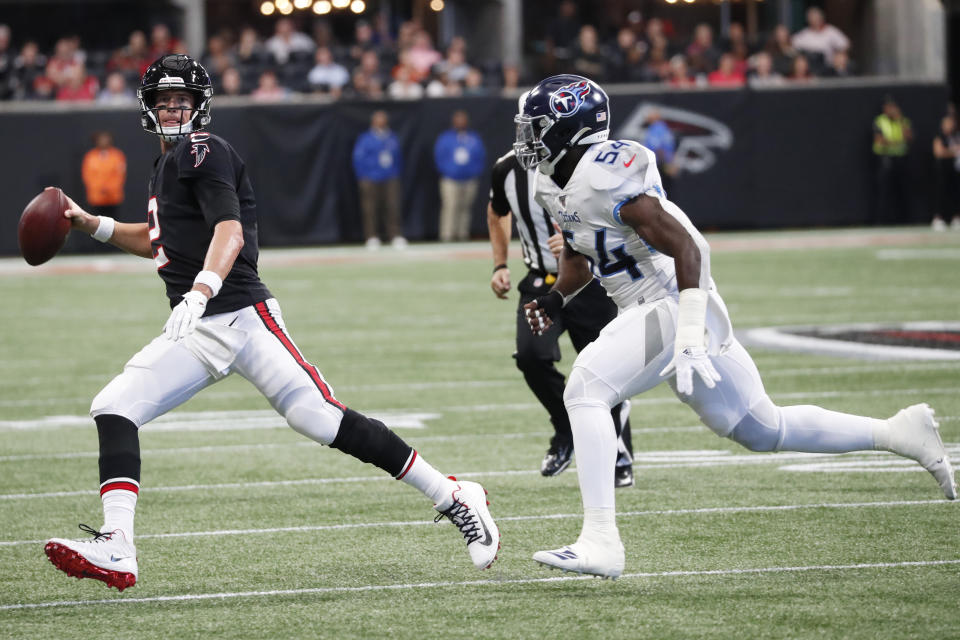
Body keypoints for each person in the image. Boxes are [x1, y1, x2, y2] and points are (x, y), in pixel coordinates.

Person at [42, 54, 499, 592]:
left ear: (199, 107)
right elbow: (159, 239)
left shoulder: (202, 149)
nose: (171, 111)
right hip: (200, 326)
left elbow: (229, 232)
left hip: (241, 316)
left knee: (319, 419)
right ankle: (117, 544)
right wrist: (92, 225)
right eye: (162, 103)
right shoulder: (167, 163)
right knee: (114, 406)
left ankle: (453, 495)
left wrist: (201, 289)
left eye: (181, 102)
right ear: (148, 108)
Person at [513, 74, 956, 579]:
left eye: (538, 128)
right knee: (761, 428)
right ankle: (899, 433)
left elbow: (690, 249)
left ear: (572, 128)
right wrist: (554, 296)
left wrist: (688, 337)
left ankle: (600, 540)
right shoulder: (551, 181)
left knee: (586, 389)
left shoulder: (610, 172)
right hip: (645, 306)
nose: (528, 139)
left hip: (676, 299)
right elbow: (580, 251)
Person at [487, 146, 634, 487]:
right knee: (531, 356)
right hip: (541, 282)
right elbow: (497, 211)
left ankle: (618, 452)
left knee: (606, 370)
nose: (527, 137)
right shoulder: (506, 168)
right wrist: (499, 263)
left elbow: (617, 217)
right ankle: (566, 429)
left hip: (592, 280)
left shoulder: (592, 161)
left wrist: (575, 242)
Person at [352, 110, 407, 249]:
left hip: (390, 177)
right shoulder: (365, 138)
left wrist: (395, 173)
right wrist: (363, 177)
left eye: (383, 119)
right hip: (370, 178)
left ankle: (394, 235)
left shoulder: (392, 137)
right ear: (373, 122)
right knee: (370, 208)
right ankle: (372, 236)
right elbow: (358, 159)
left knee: (392, 206)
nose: (381, 122)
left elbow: (398, 158)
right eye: (378, 119)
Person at [434, 110, 486, 241]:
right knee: (450, 207)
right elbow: (439, 157)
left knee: (465, 208)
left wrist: (473, 173)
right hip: (450, 180)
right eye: (458, 120)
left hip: (469, 180)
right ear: (453, 122)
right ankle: (447, 235)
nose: (460, 122)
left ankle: (462, 235)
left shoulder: (473, 138)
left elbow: (480, 157)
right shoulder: (445, 138)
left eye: (463, 120)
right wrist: (449, 172)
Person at [873, 96, 913, 225]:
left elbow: (909, 137)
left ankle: (905, 220)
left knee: (904, 191)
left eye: (893, 107)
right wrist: (897, 143)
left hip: (901, 160)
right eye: (888, 107)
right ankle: (882, 221)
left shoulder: (903, 120)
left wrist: (900, 121)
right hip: (885, 160)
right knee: (884, 192)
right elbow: (879, 140)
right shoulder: (880, 121)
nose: (891, 110)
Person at [81, 131, 126, 219]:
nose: (103, 141)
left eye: (106, 139)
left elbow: (120, 176)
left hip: (113, 198)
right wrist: (99, 188)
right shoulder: (90, 156)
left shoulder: (117, 155)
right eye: (101, 139)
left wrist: (109, 188)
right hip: (96, 198)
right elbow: (87, 176)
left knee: (114, 224)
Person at [931, 114, 960, 231]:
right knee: (942, 193)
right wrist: (953, 151)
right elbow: (938, 152)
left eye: (951, 123)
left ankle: (956, 218)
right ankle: (938, 218)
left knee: (956, 193)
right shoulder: (940, 137)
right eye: (947, 123)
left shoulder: (956, 136)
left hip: (955, 170)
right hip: (943, 170)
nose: (950, 125)